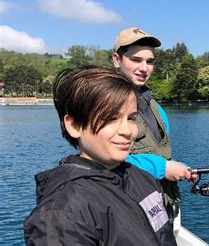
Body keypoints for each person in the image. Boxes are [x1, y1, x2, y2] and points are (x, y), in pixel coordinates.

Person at [23, 67, 177, 245]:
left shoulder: (144, 179)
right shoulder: (60, 215)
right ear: (74, 125)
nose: (127, 131)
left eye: (131, 118)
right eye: (111, 118)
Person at [112, 27, 194, 221]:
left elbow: (162, 154)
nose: (144, 68)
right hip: (130, 212)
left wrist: (179, 168)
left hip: (164, 207)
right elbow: (104, 160)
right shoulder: (105, 102)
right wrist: (163, 168)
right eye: (136, 60)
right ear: (117, 59)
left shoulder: (155, 106)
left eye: (150, 61)